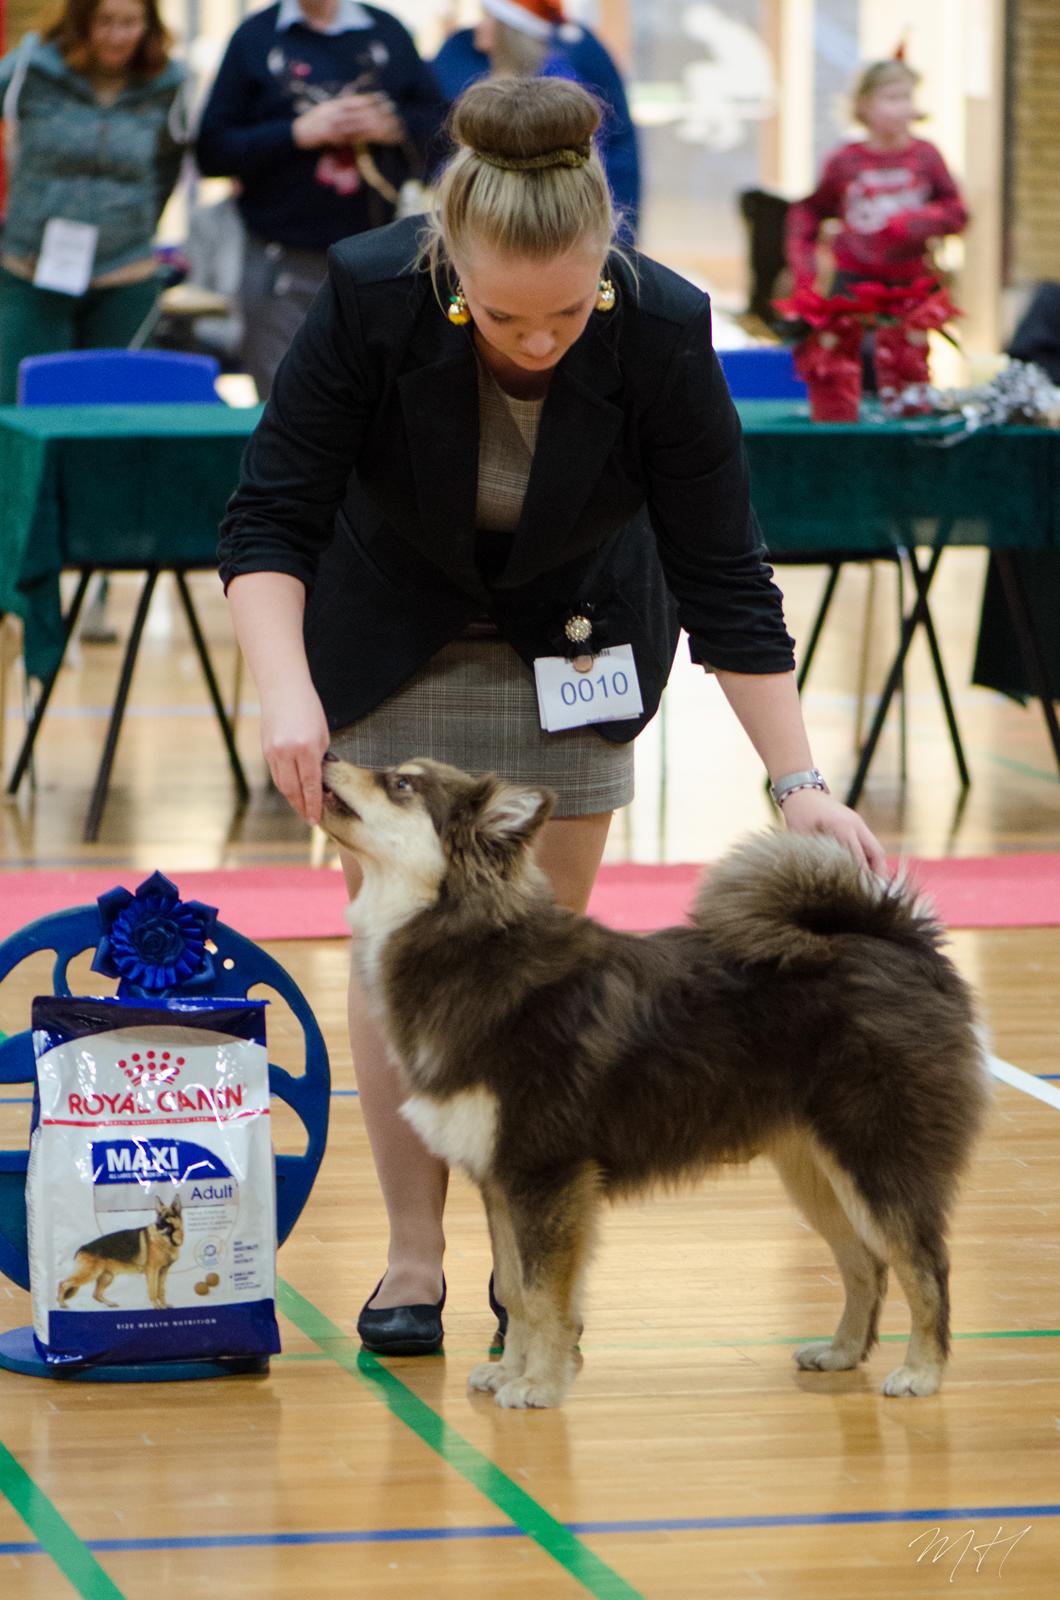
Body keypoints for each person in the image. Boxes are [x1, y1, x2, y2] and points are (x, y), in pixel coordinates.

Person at [218, 75, 886, 1356]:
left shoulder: (660, 326)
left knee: (532, 975)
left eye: (568, 312)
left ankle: (525, 1257)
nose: (538, 341)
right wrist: (287, 695)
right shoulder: (368, 293)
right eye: (501, 315)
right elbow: (271, 513)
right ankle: (415, 1258)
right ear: (448, 261)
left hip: (574, 645)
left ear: (609, 266)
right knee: (399, 954)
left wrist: (796, 779)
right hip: (387, 637)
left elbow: (723, 569)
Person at [195, 0, 447, 399]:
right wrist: (297, 133)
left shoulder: (389, 32)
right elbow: (211, 152)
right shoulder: (254, 37)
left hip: (377, 261)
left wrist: (394, 125)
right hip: (278, 258)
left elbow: (443, 132)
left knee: (371, 400)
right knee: (284, 400)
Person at [0, 0, 187, 405]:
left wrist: (140, 222)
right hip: (33, 267)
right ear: (81, 22)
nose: (117, 35)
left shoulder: (169, 82)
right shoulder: (32, 68)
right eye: (105, 22)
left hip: (125, 270)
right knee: (21, 403)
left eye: (129, 23)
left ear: (148, 25)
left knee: (117, 407)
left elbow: (170, 163)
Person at [432, 0, 639, 237]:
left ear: (510, 30)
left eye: (488, 18)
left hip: (550, 218)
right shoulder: (470, 63)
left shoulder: (557, 85)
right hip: (489, 218)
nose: (479, 27)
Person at [785, 54, 967, 296]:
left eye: (907, 97)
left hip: (910, 282)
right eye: (892, 98)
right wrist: (806, 272)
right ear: (864, 105)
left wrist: (914, 222)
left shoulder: (926, 155)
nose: (903, 107)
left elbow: (957, 212)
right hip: (854, 281)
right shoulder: (844, 160)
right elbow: (808, 213)